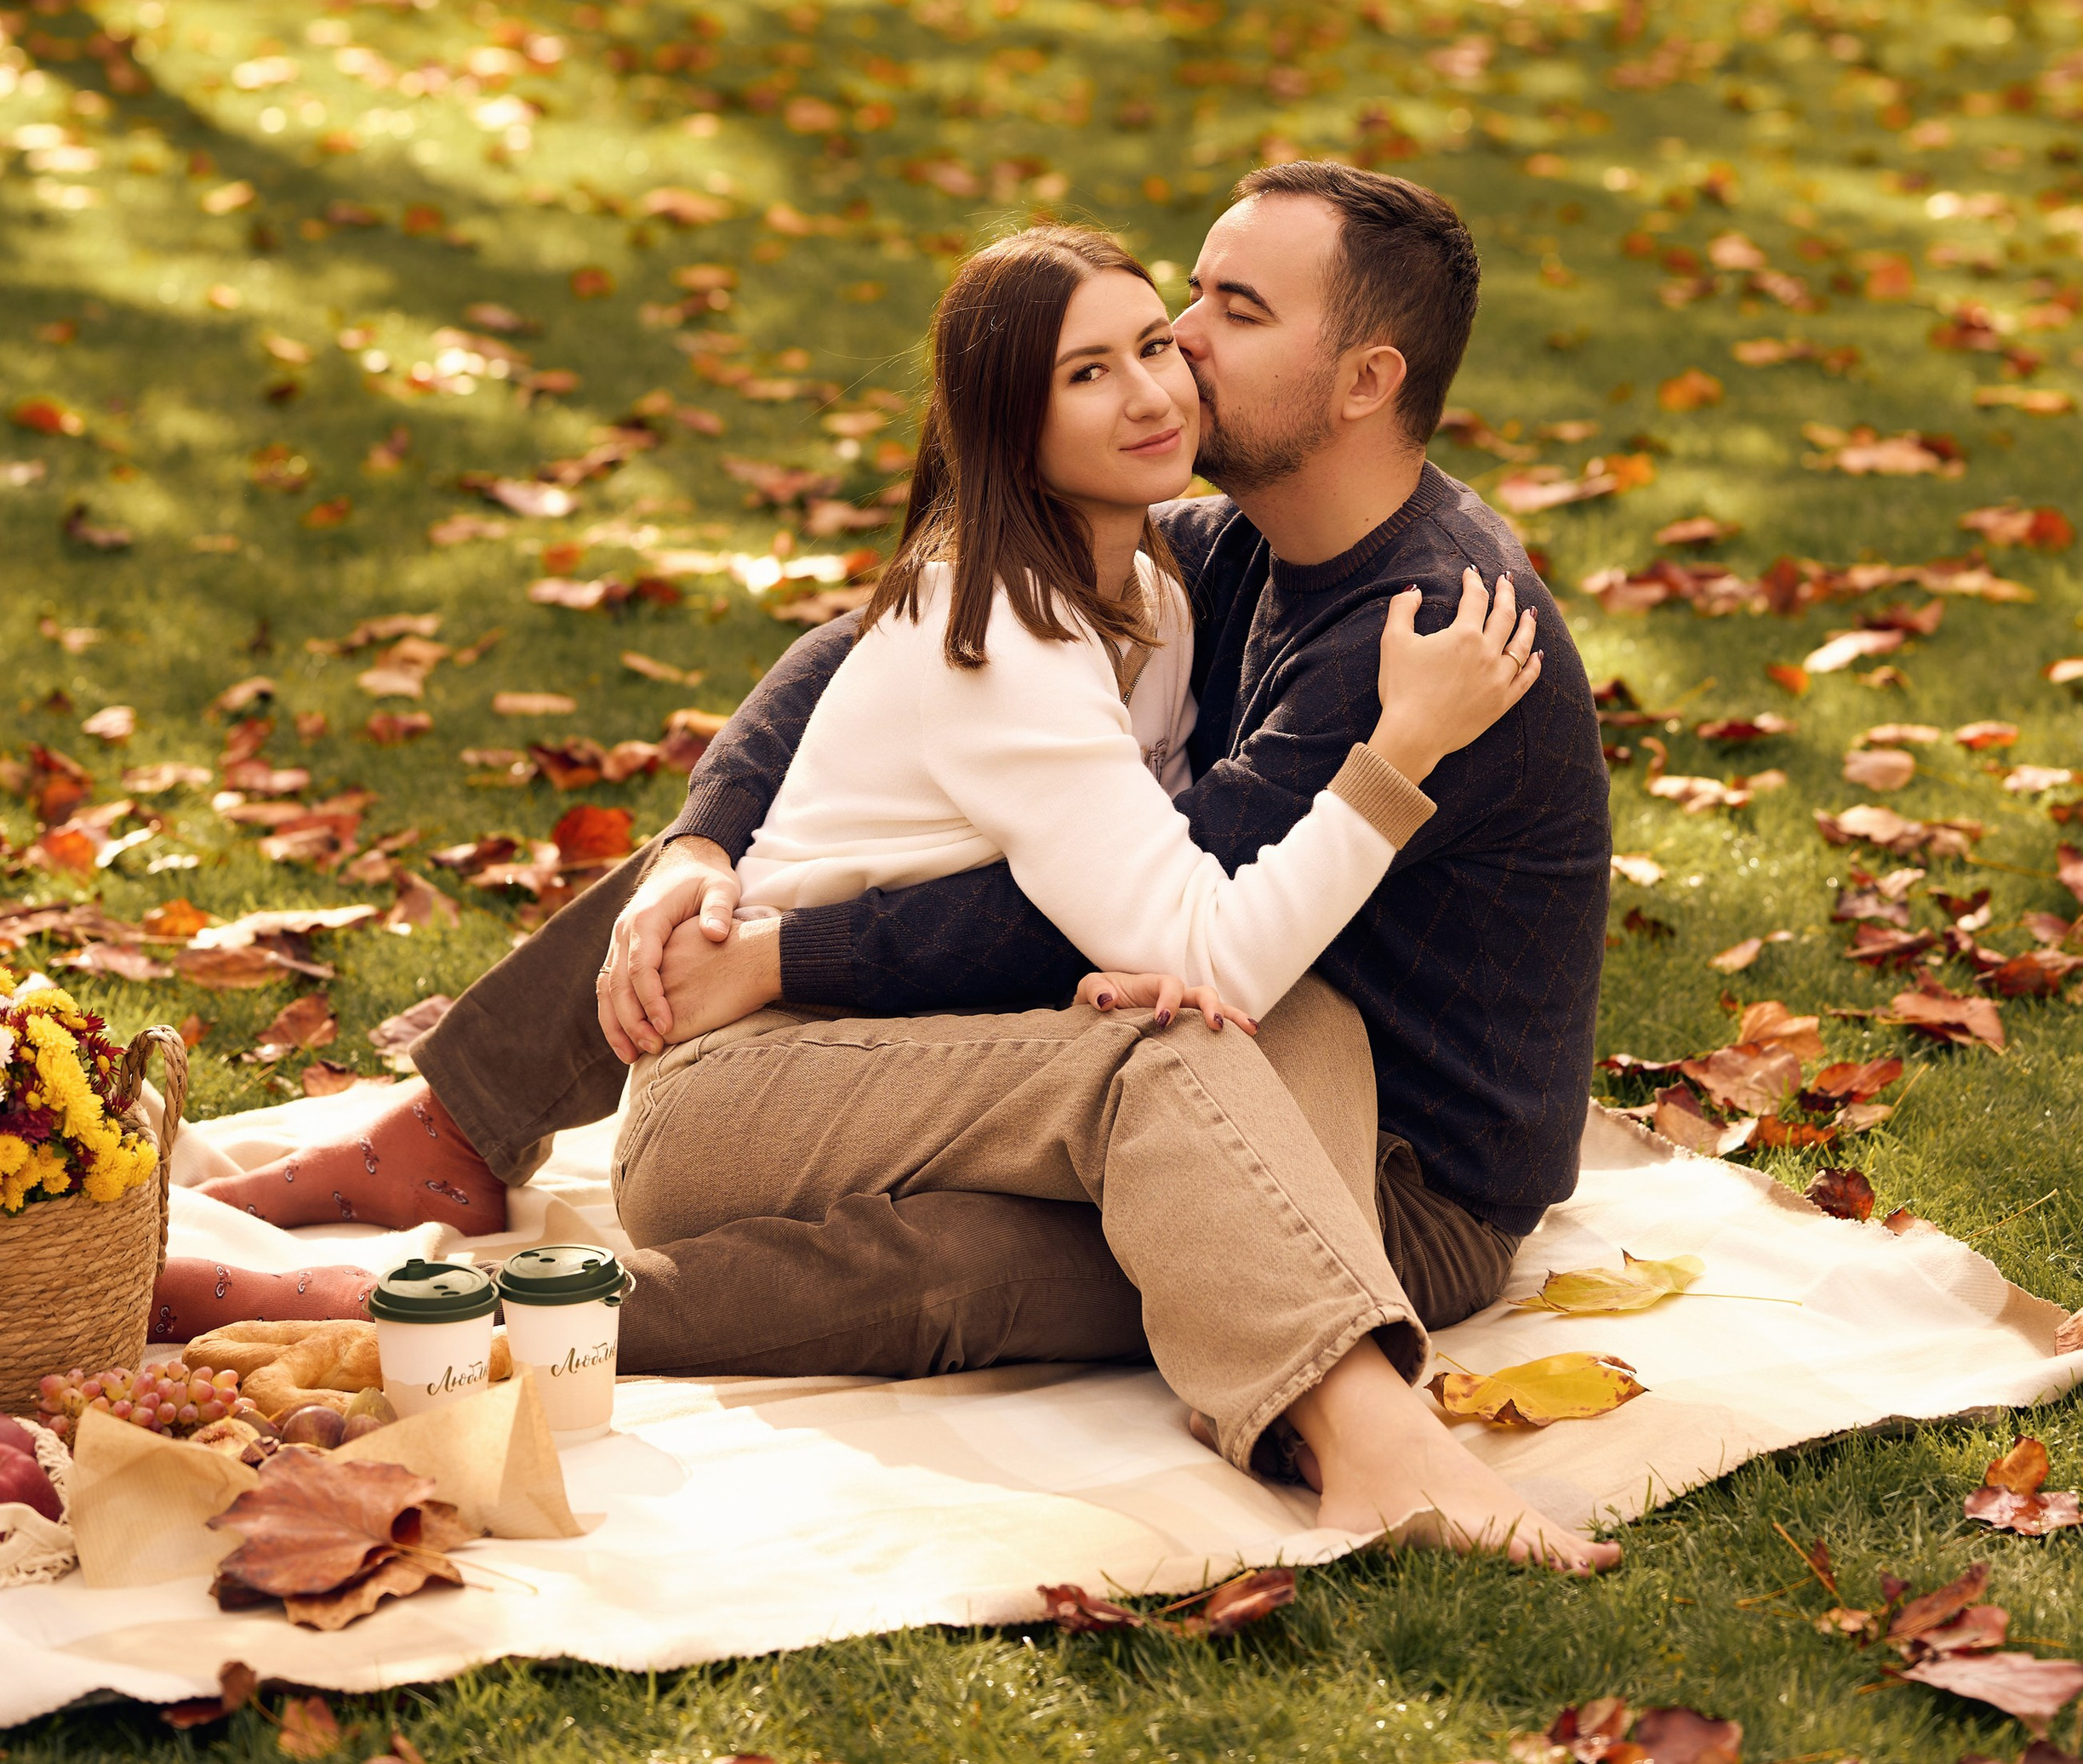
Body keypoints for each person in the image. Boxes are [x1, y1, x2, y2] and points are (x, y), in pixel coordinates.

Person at [185, 168, 1616, 1561]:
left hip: (1388, 1181)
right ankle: (460, 1124)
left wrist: (792, 956)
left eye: (1233, 310)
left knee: (959, 1262)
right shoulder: (1235, 539)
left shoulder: (1425, 634)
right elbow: (871, 650)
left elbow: (1158, 925)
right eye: (1187, 293)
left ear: (1363, 380)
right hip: (1211, 1043)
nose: (1180, 342)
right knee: (825, 843)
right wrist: (699, 841)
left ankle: (380, 1314)